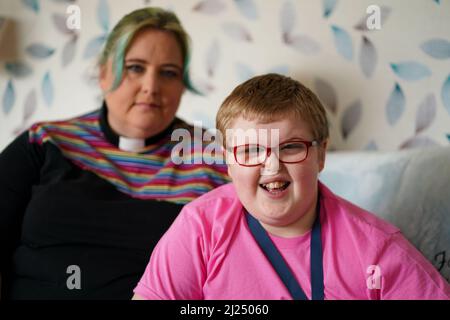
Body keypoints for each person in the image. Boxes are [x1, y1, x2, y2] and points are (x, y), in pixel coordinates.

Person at [132, 73, 450, 300]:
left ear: (321, 155)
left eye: (291, 147)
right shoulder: (200, 227)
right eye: (250, 150)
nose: (272, 165)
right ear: (228, 162)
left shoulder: (377, 249)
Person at [0, 7, 229, 299]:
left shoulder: (215, 158)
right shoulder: (45, 141)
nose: (151, 87)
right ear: (104, 74)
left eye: (168, 73)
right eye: (135, 67)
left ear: (182, 86)